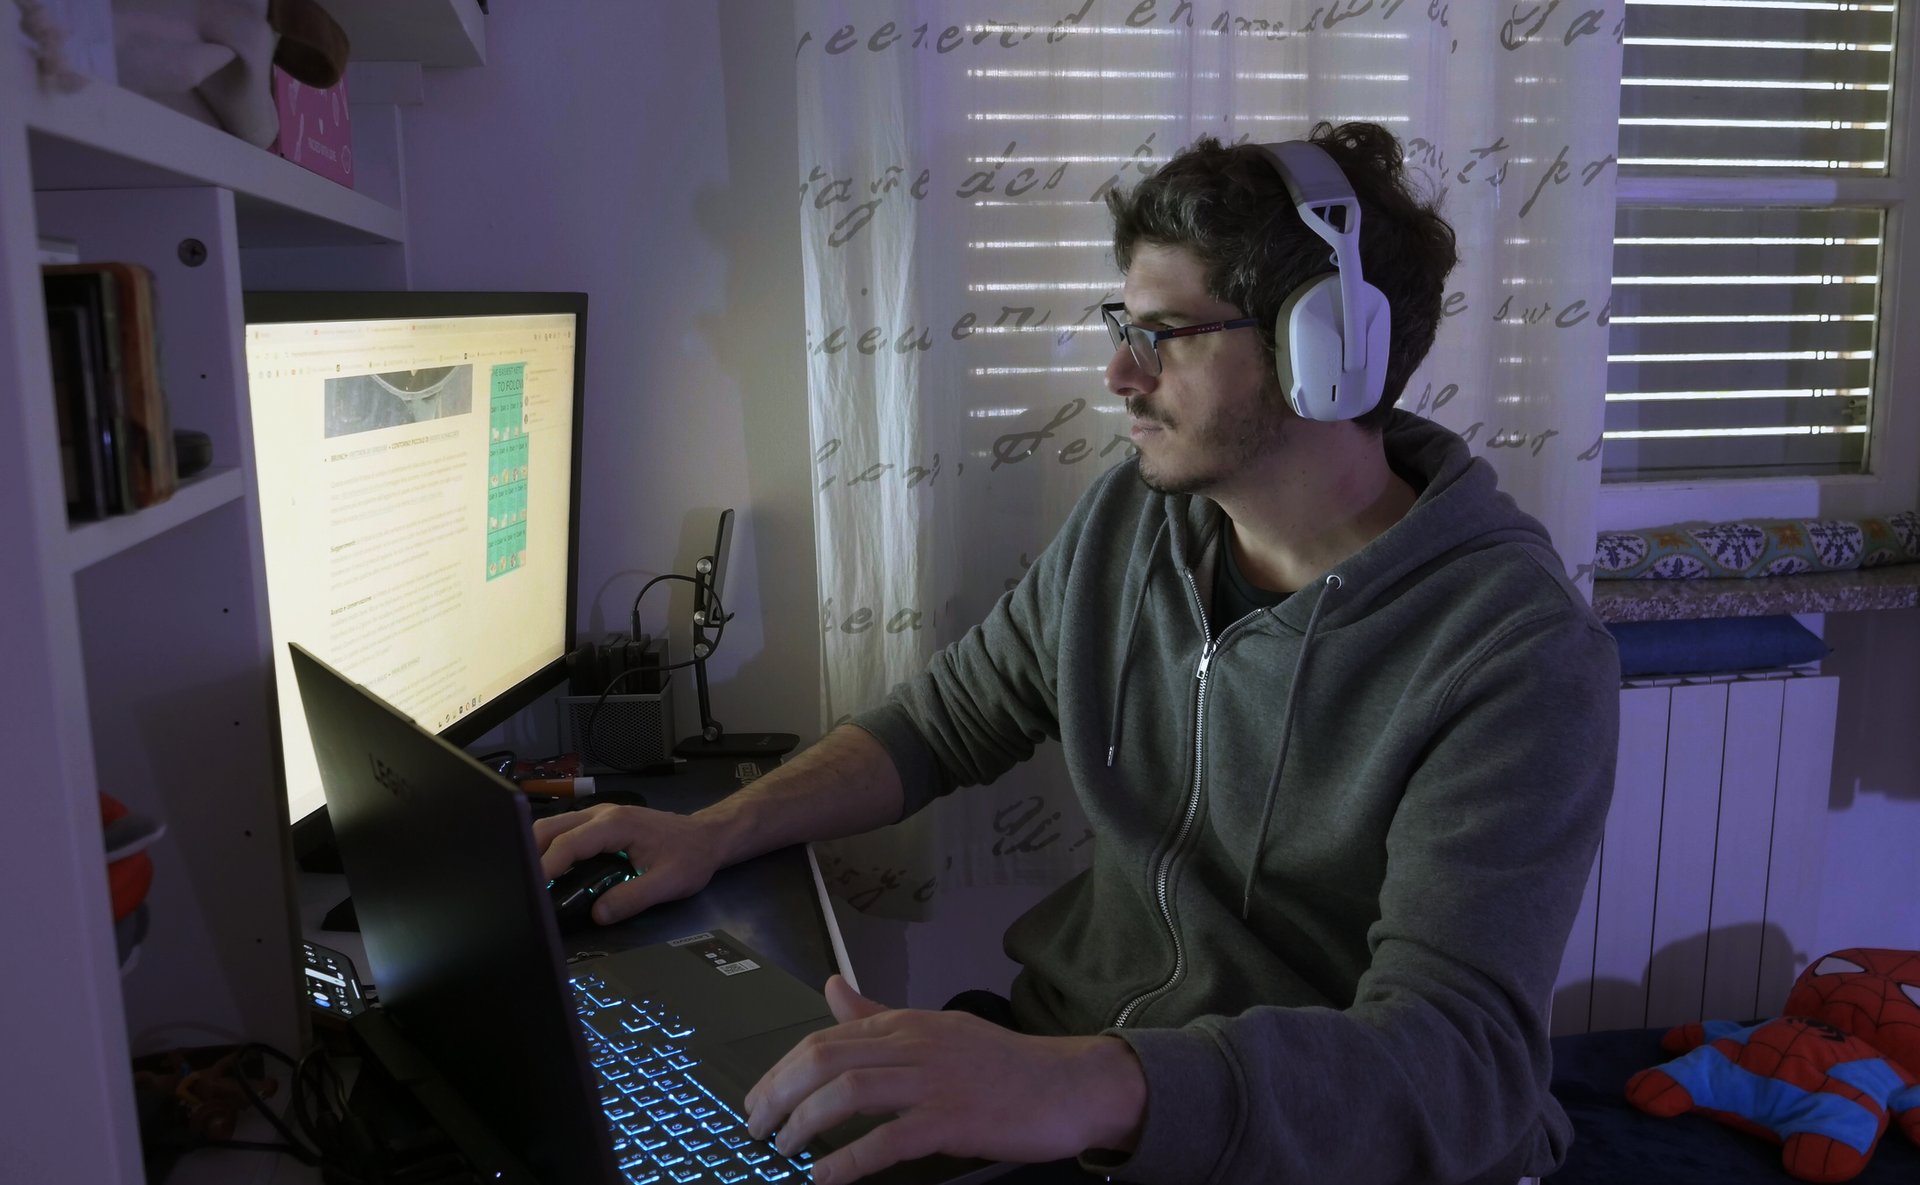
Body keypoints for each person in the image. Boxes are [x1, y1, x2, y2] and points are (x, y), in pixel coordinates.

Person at [535, 121, 1620, 1185]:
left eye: (1163, 334)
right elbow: (940, 723)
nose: (1118, 372)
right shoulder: (1133, 528)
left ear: (1324, 353)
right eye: (1123, 324)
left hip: (1289, 1145)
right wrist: (712, 832)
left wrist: (1077, 1088)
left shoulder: (1513, 655)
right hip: (1073, 1082)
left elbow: (1458, 1067)